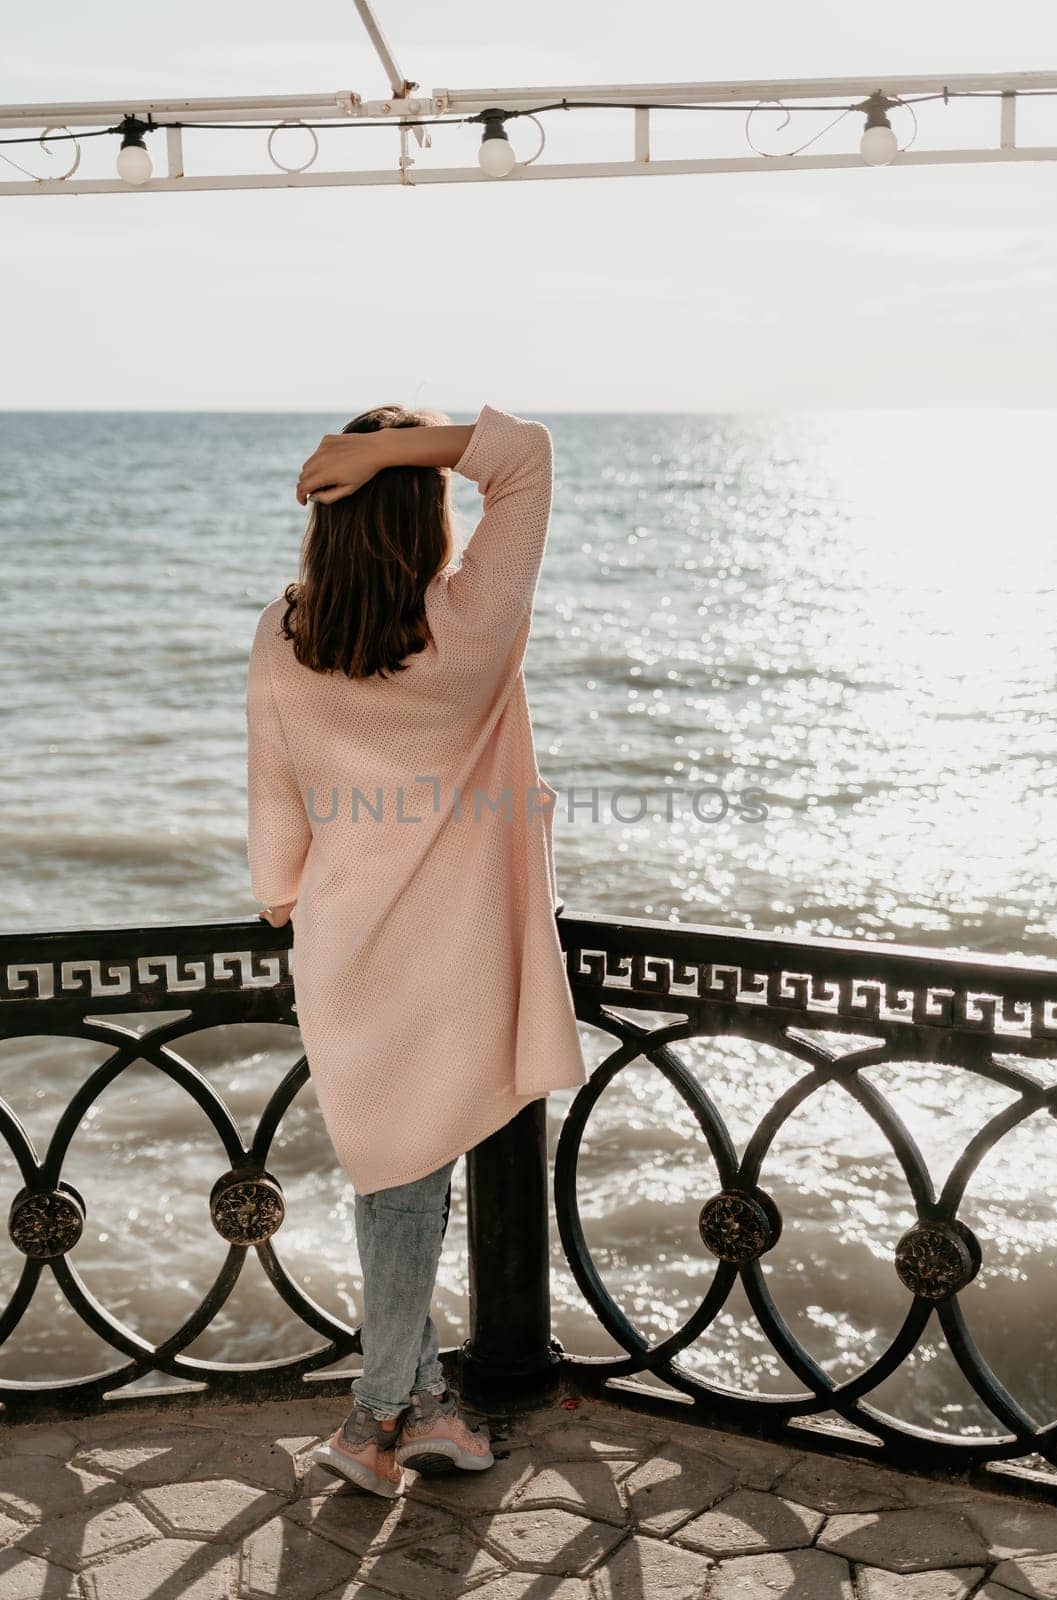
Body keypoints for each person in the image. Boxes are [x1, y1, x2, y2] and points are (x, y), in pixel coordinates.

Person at [245, 403, 588, 1498]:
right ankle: (374, 1415)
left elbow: (272, 799)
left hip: (343, 945)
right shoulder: (468, 623)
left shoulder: (284, 630)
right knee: (401, 1182)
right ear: (421, 513)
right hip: (451, 959)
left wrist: (279, 895)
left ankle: (427, 1400)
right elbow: (524, 458)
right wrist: (394, 448)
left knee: (393, 1173)